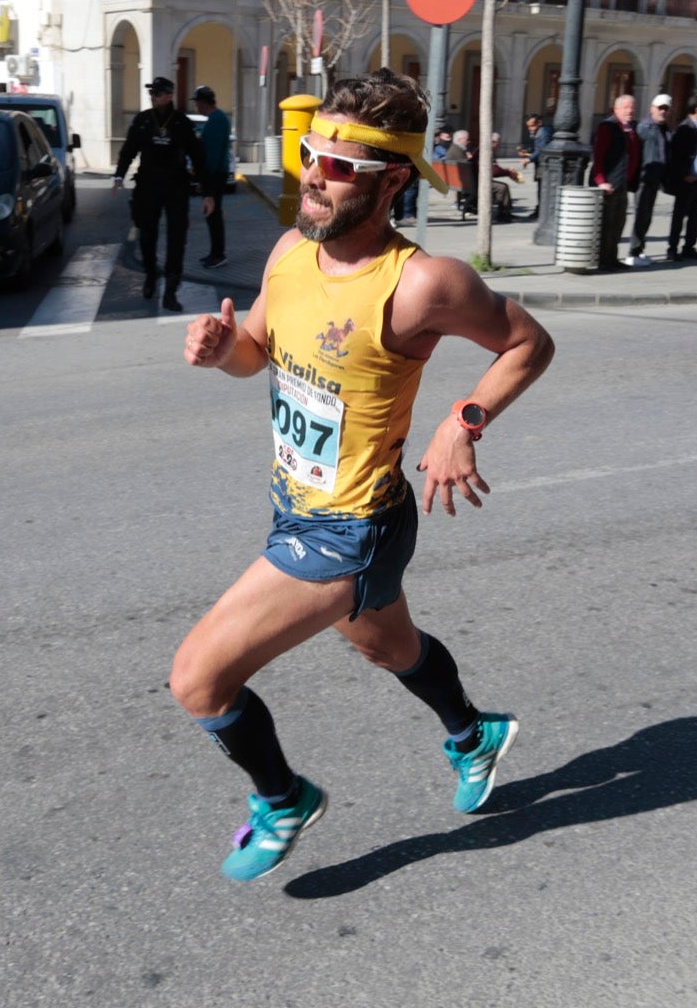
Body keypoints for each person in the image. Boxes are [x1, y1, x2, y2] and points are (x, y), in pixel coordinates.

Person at [174, 67, 555, 882]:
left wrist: (464, 420)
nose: (314, 172)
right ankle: (473, 733)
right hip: (297, 504)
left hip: (351, 526)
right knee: (388, 647)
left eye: (341, 165)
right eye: (313, 152)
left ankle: (283, 799)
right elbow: (259, 354)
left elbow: (529, 343)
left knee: (200, 678)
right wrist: (223, 353)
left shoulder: (424, 284)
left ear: (391, 181)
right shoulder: (289, 250)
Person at [114, 76, 206, 312]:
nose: (153, 96)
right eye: (152, 93)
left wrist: (207, 191)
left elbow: (197, 155)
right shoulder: (143, 120)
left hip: (176, 187)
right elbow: (129, 150)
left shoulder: (181, 122)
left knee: (177, 240)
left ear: (168, 95)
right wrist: (118, 176)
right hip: (148, 186)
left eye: (157, 93)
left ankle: (170, 293)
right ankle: (151, 275)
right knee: (147, 235)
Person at [589, 93, 642, 271]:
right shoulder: (608, 126)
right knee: (606, 224)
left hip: (622, 183)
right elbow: (599, 155)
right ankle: (602, 260)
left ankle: (612, 258)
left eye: (632, 107)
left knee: (618, 223)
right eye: (626, 107)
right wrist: (601, 180)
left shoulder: (630, 128)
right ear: (616, 109)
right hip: (608, 185)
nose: (631, 111)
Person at [664, 94, 697, 262]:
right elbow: (675, 154)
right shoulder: (685, 128)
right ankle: (672, 248)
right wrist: (685, 174)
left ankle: (689, 247)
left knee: (695, 216)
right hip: (687, 181)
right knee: (680, 215)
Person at [627, 94, 672, 267]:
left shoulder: (663, 128)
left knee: (647, 216)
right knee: (641, 215)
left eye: (666, 108)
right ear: (652, 108)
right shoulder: (644, 127)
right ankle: (633, 252)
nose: (663, 111)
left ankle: (640, 250)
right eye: (660, 107)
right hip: (644, 178)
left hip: (655, 178)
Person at [192, 85, 230, 268]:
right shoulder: (216, 118)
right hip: (215, 174)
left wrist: (205, 182)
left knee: (213, 214)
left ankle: (218, 254)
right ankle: (214, 252)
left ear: (203, 102)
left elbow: (212, 156)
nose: (196, 106)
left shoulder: (216, 120)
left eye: (197, 102)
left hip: (214, 175)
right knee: (212, 215)